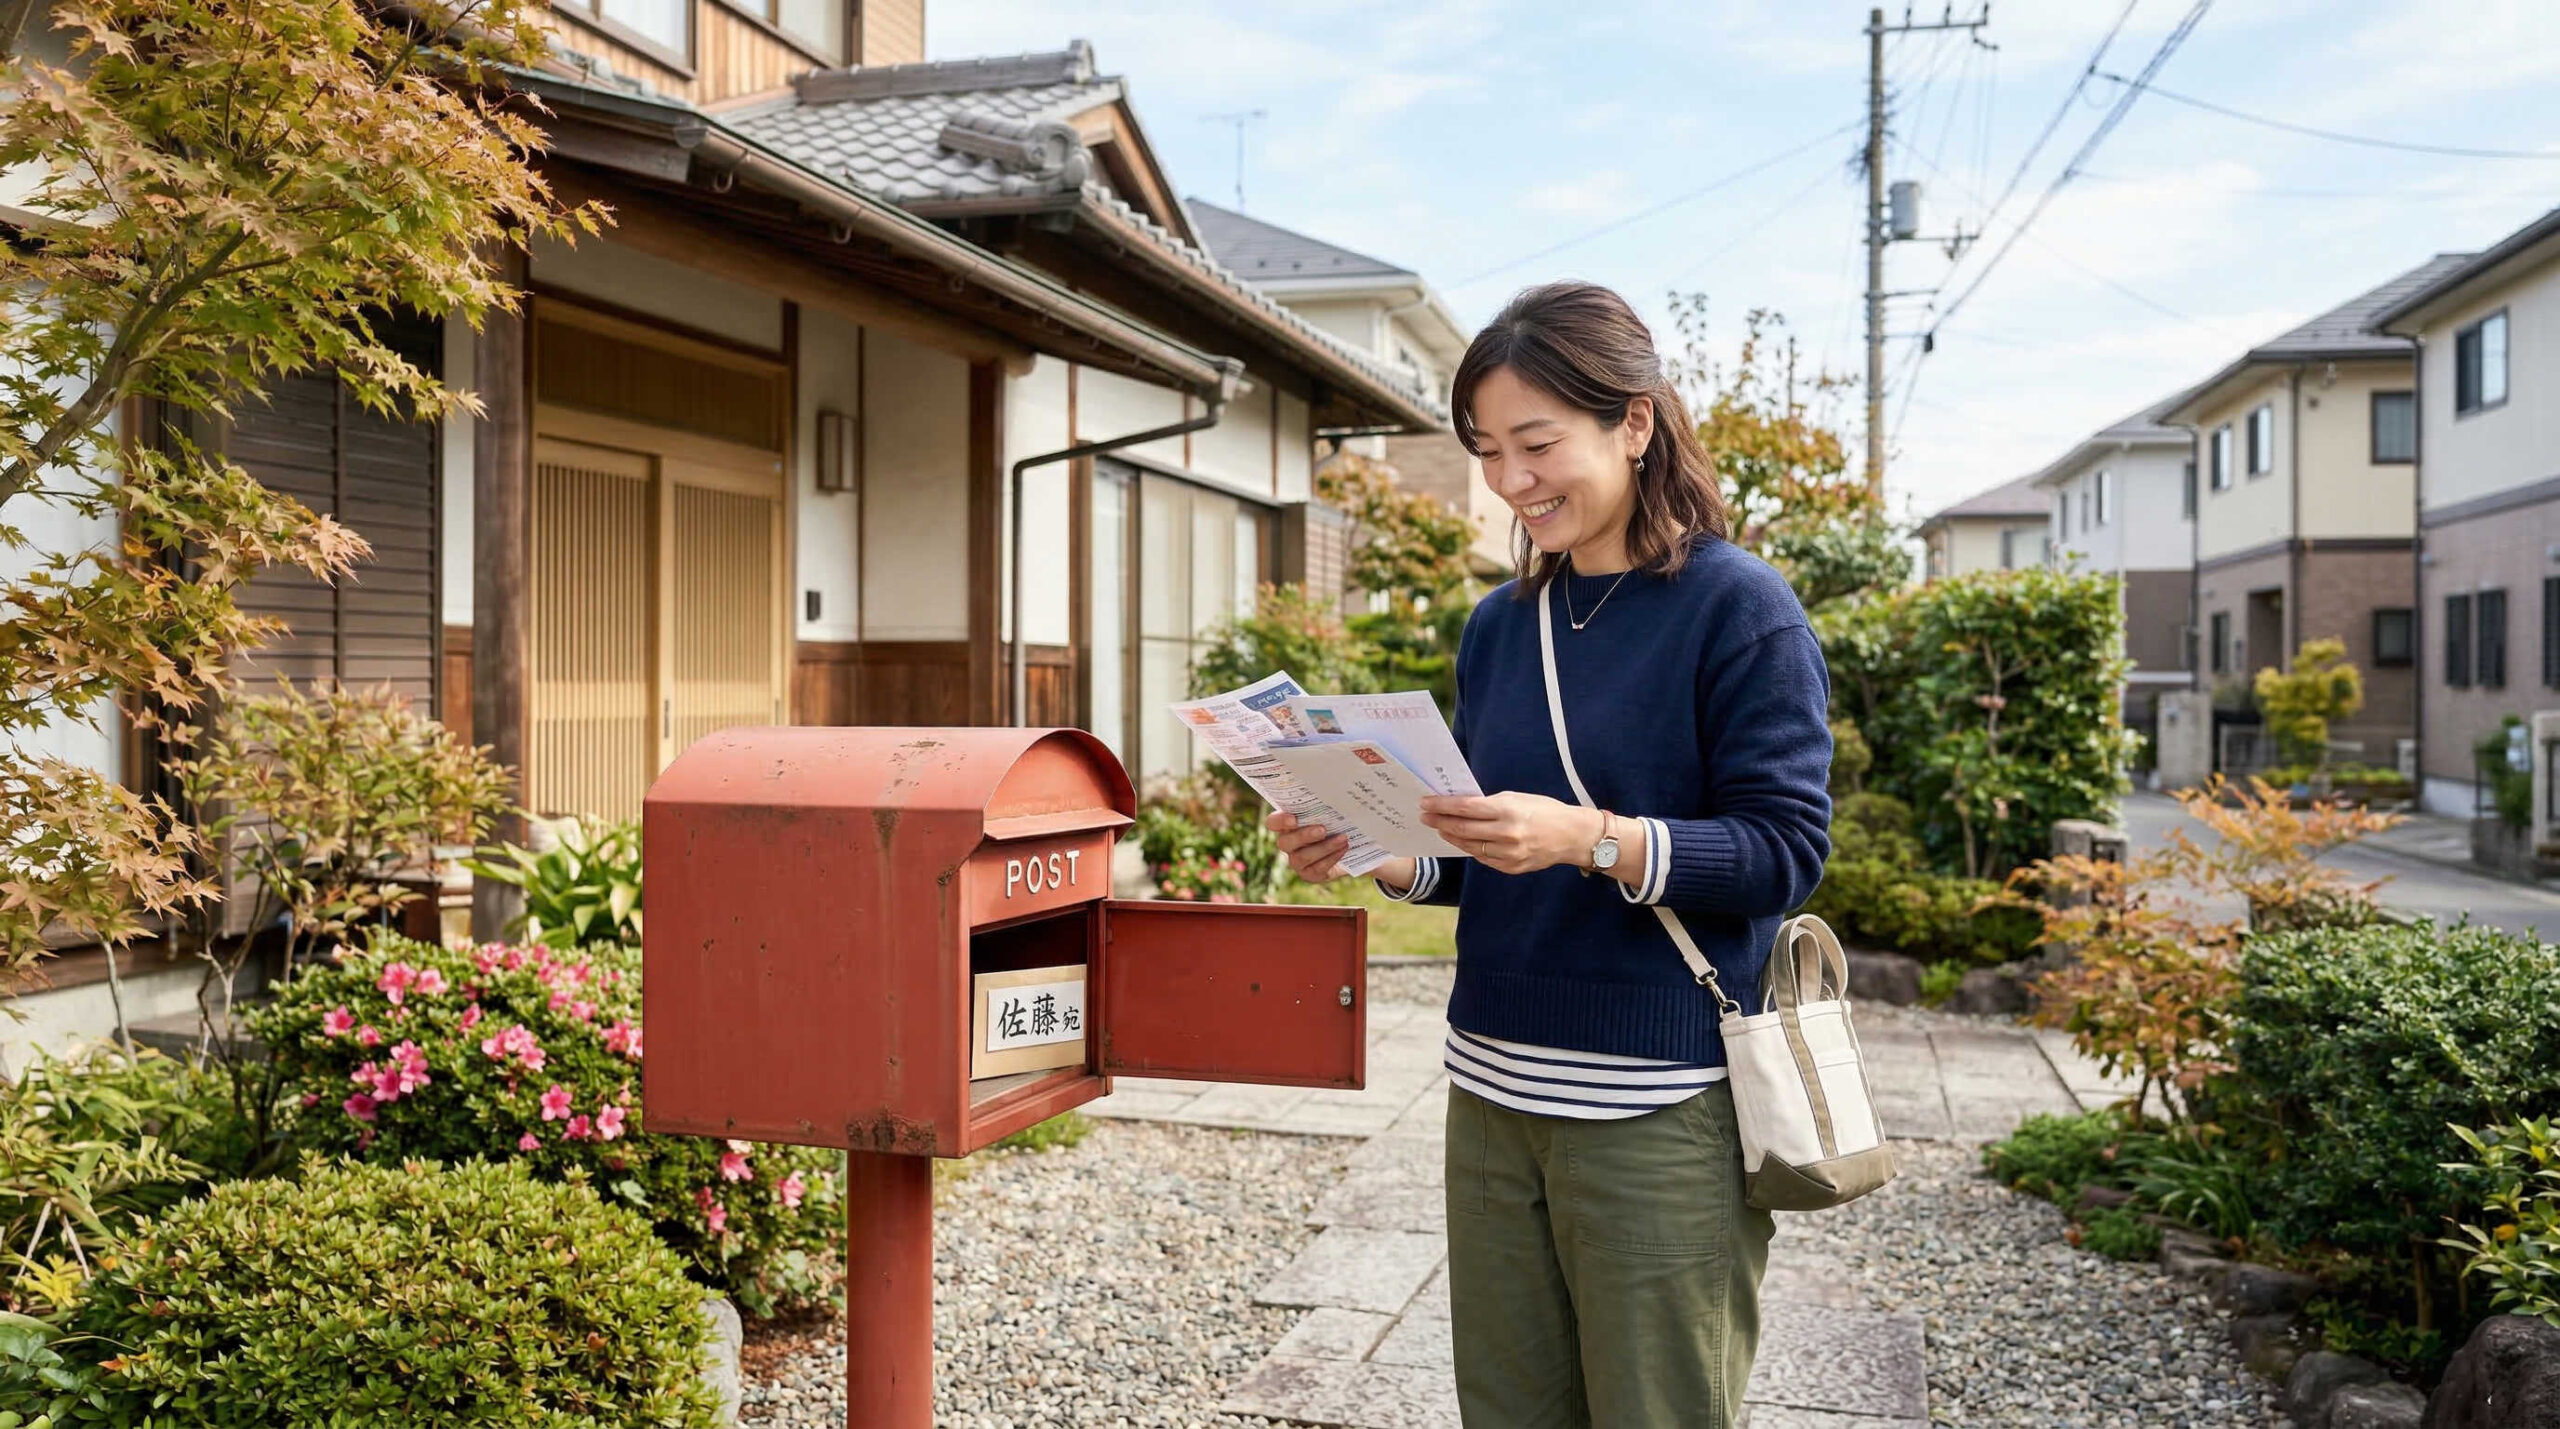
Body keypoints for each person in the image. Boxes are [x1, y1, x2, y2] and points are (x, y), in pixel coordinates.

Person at [1270, 281, 1834, 1428]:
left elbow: (1786, 849)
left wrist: (1593, 840)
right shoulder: (1498, 624)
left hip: (1658, 1109)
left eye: (1537, 444)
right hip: (1489, 1092)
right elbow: (1480, 846)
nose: (1512, 481)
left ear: (1632, 423)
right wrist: (1378, 849)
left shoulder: (1740, 611)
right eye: (1486, 451)